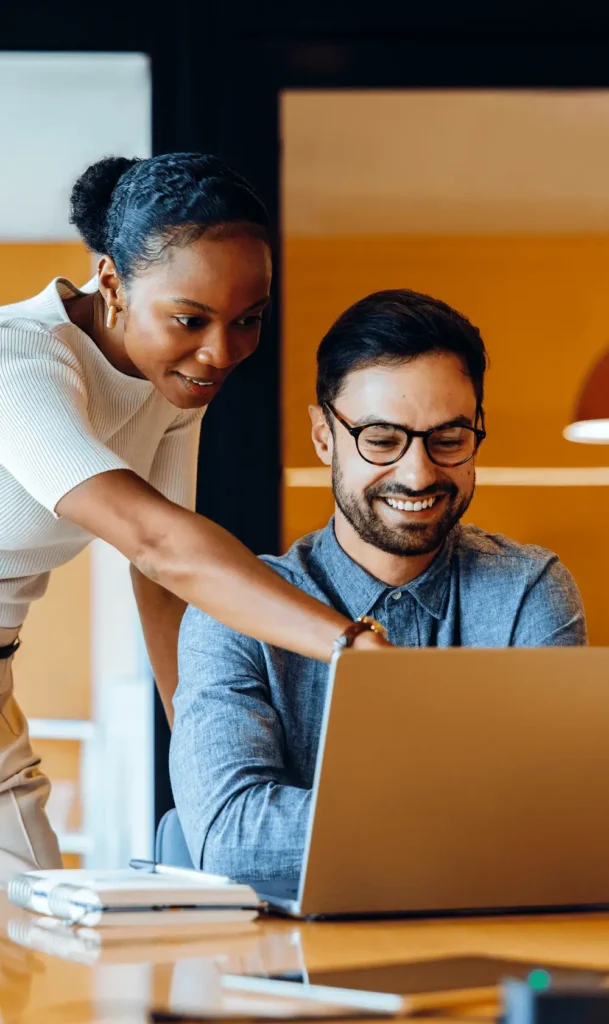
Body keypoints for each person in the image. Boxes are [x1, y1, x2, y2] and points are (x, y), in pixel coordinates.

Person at [0, 153, 387, 881]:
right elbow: (157, 541)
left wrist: (205, 758)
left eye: (248, 321)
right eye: (190, 319)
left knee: (27, 943)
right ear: (112, 282)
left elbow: (166, 583)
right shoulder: (16, 362)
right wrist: (349, 645)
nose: (220, 352)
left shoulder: (166, 381)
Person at [171, 288, 587, 882]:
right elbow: (233, 840)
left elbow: (564, 824)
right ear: (324, 437)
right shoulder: (231, 610)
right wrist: (487, 817)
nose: (418, 474)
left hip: (493, 956)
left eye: (448, 440)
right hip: (292, 970)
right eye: (382, 440)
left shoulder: (527, 590)